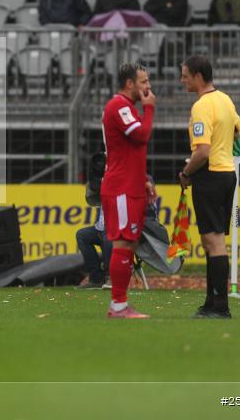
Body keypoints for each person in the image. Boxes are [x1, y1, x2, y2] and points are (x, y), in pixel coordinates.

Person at [179, 56, 240, 319]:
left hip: (211, 176)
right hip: (227, 173)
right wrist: (223, 146)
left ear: (197, 76)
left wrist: (186, 172)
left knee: (214, 242)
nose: (182, 80)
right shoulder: (225, 99)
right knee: (212, 241)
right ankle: (210, 302)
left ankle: (220, 307)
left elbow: (202, 151)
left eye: (184, 75)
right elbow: (239, 129)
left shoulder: (202, 106)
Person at [100, 63, 156, 318]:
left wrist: (143, 178)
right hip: (120, 187)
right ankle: (118, 306)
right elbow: (142, 135)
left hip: (130, 185)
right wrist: (150, 108)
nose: (148, 87)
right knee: (123, 242)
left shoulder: (126, 108)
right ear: (130, 84)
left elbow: (129, 150)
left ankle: (120, 305)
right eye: (143, 82)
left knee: (129, 243)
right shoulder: (119, 106)